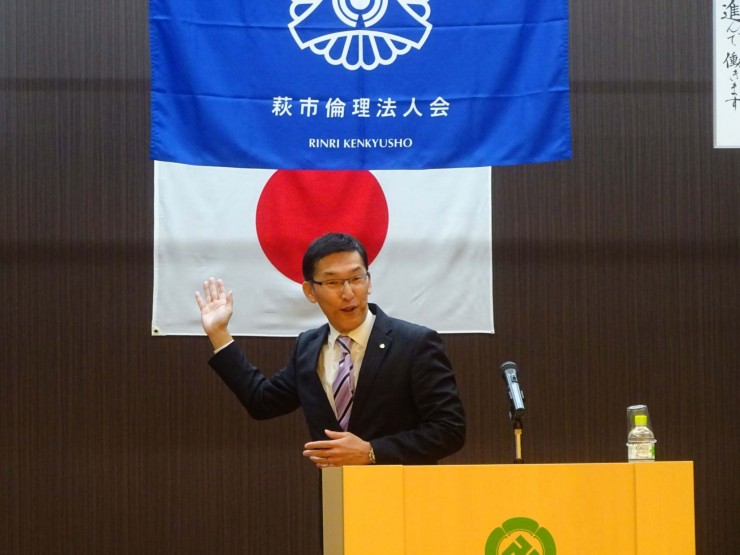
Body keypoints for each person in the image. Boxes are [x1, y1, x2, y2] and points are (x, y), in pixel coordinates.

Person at [195, 232, 465, 467]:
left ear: (369, 282)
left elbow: (449, 430)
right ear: (310, 292)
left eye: (356, 278)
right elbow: (262, 403)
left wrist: (371, 452)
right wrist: (219, 334)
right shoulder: (308, 347)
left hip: (404, 495)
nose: (348, 293)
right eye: (333, 282)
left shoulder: (415, 343)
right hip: (337, 495)